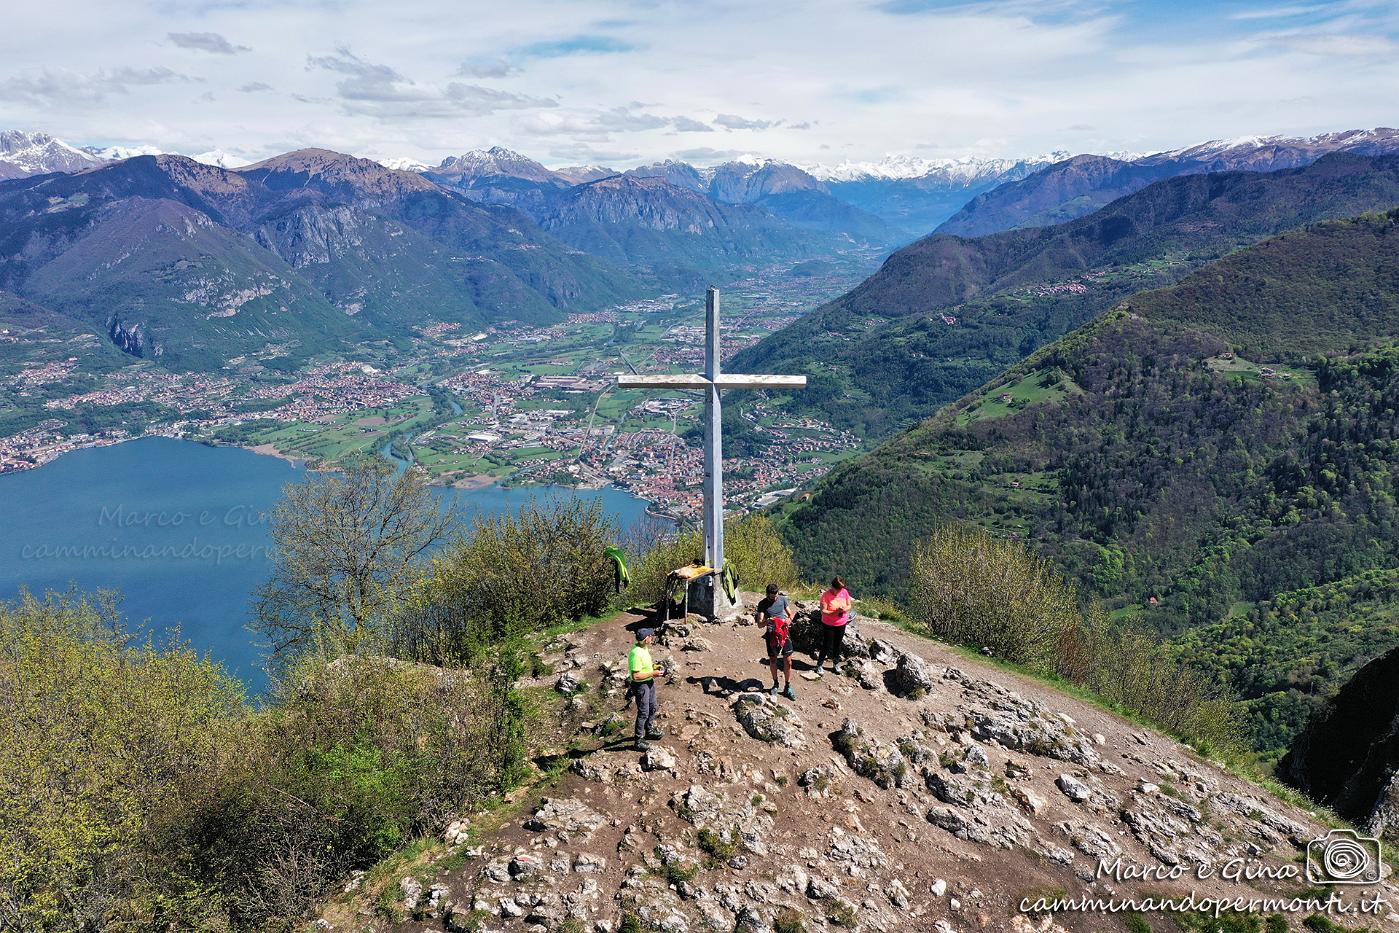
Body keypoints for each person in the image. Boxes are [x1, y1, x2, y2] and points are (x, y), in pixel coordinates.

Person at [757, 583, 796, 700]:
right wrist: (767, 621)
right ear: (767, 594)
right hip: (771, 634)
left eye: (776, 595)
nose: (775, 598)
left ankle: (788, 686)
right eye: (772, 596)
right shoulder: (762, 604)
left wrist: (789, 620)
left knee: (788, 661)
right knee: (773, 659)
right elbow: (759, 624)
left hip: (784, 632)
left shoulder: (782, 600)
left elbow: (791, 614)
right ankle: (775, 684)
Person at [629, 627, 663, 751]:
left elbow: (644, 666)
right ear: (645, 639)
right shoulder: (636, 653)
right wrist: (652, 673)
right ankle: (638, 740)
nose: (652, 637)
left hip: (649, 682)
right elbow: (635, 676)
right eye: (650, 636)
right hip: (641, 686)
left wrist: (653, 667)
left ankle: (649, 730)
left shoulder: (644, 648)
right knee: (643, 712)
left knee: (653, 707)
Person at [815, 575, 852, 675]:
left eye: (840, 589)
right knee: (827, 644)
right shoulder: (825, 595)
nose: (839, 591)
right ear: (832, 587)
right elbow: (823, 611)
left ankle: (836, 663)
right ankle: (819, 665)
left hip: (841, 623)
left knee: (838, 644)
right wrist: (836, 612)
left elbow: (849, 605)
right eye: (837, 589)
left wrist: (845, 609)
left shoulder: (844, 592)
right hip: (829, 624)